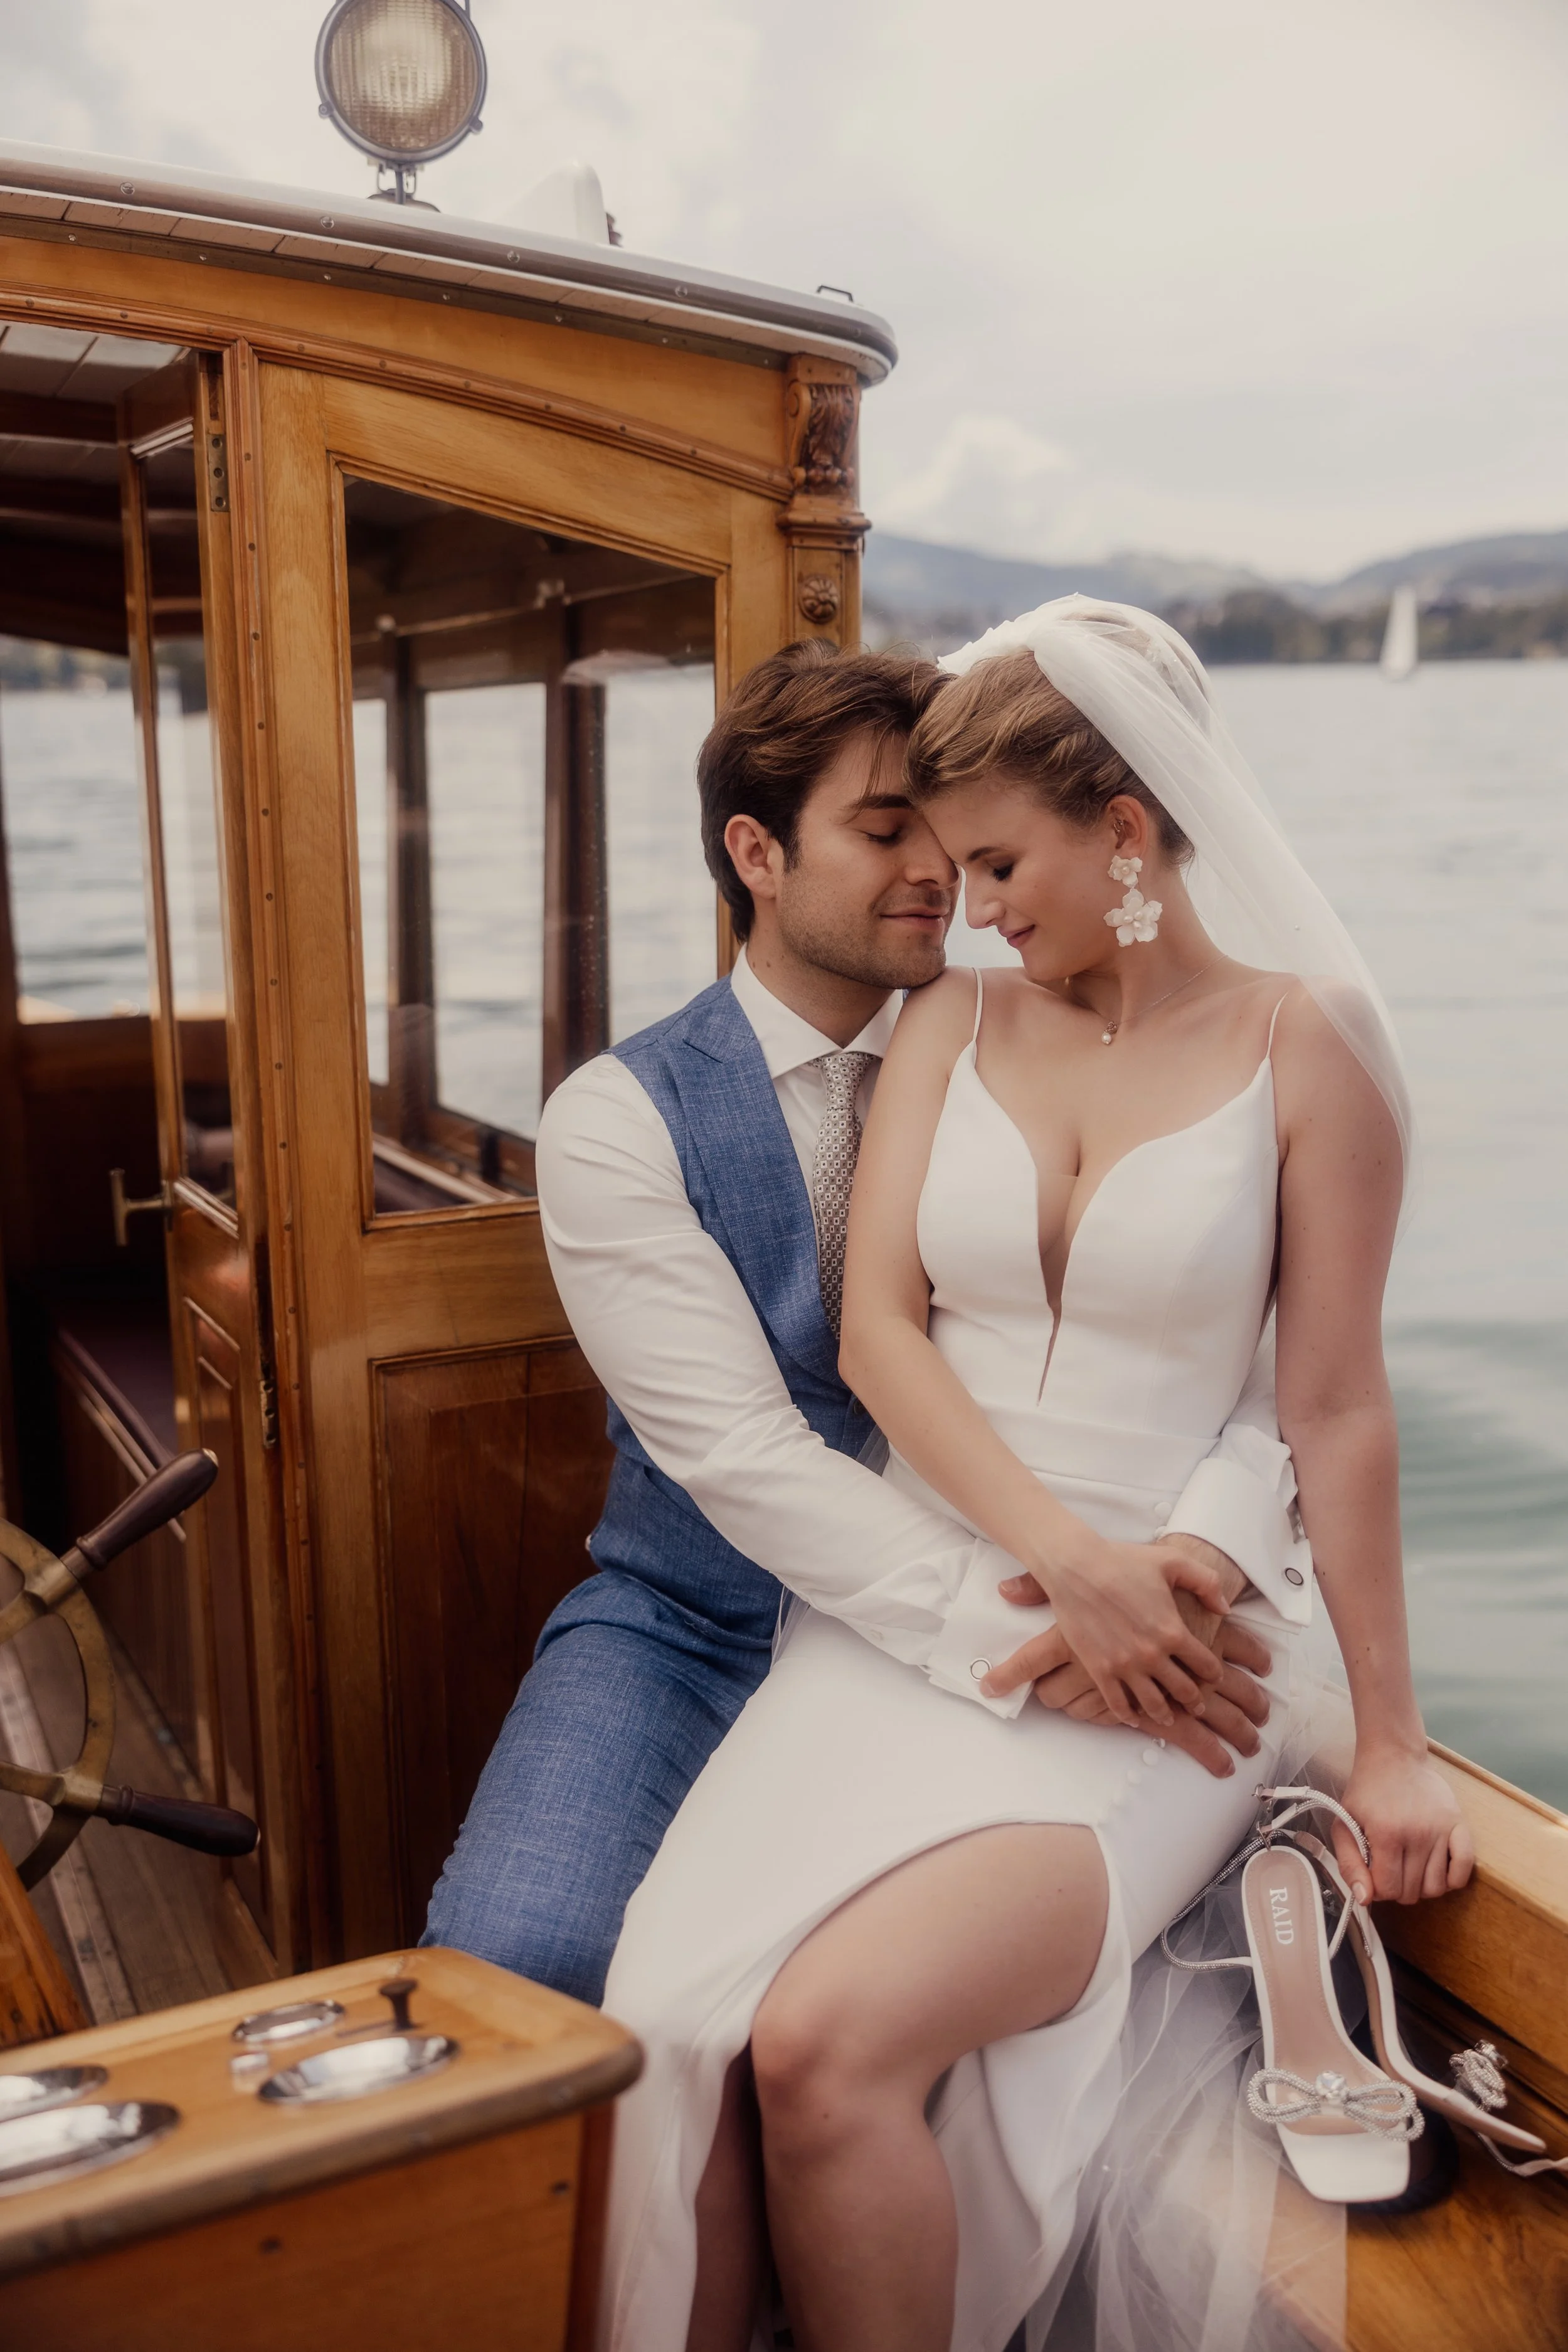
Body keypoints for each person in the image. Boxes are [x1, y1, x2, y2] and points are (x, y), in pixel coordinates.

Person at [596, 601, 1471, 2352]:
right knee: (664, 2023)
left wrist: (1385, 1735)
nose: (967, 904)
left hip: (1169, 1672)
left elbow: (1334, 1406)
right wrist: (1056, 1558)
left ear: (1125, 829)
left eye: (996, 859)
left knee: (825, 2041)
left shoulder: (1313, 1046)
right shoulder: (952, 1025)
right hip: (939, 1608)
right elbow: (878, 1340)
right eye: (945, 861)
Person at [423, 641, 1301, 2008]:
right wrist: (1042, 1635)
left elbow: (1235, 1340)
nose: (938, 875)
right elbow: (739, 1454)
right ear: (755, 853)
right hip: (695, 1625)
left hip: (1010, 1586)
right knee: (514, 1969)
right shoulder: (614, 1117)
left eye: (949, 838)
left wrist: (1195, 1547)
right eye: (883, 830)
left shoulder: (1018, 1036)